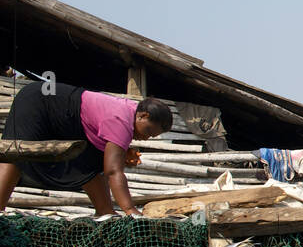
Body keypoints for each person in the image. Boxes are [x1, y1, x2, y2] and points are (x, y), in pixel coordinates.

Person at [0, 81, 173, 215]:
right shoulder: (122, 120)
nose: (145, 137)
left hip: (62, 114)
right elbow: (113, 172)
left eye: (151, 136)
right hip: (38, 100)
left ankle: (106, 213)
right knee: (17, 155)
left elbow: (102, 164)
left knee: (92, 162)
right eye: (148, 131)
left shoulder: (129, 114)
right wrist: (130, 210)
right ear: (143, 115)